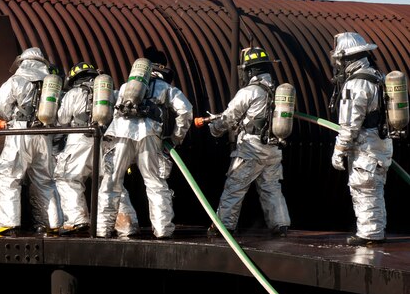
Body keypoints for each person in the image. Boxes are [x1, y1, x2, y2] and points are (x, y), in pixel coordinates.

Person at [96, 58, 192, 239]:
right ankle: (163, 229)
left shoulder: (126, 87)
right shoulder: (166, 88)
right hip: (149, 134)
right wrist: (175, 138)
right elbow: (186, 110)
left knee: (111, 181)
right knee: (155, 183)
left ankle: (102, 229)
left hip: (121, 131)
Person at [207, 47, 291, 238]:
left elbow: (229, 117)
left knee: (235, 187)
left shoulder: (250, 91)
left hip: (251, 149)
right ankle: (281, 225)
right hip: (273, 149)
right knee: (271, 188)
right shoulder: (276, 91)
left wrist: (215, 128)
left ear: (250, 71)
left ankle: (225, 226)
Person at [54, 61, 138, 236]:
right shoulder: (112, 94)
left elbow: (62, 120)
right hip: (107, 140)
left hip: (80, 140)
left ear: (74, 78)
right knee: (112, 183)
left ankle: (77, 220)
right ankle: (126, 224)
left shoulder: (73, 93)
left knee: (67, 179)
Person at [328, 32, 392, 246]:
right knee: (374, 188)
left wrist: (339, 151)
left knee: (363, 188)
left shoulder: (355, 84)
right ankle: (375, 231)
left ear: (347, 59)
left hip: (366, 144)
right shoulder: (378, 76)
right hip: (381, 142)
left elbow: (349, 124)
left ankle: (370, 235)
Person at [0, 47, 62, 236]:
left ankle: (9, 223)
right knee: (45, 180)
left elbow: (2, 105)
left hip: (21, 132)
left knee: (9, 176)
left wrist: (11, 118)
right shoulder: (51, 84)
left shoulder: (16, 80)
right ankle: (53, 223)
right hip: (44, 135)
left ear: (22, 62)